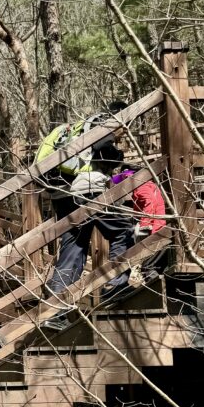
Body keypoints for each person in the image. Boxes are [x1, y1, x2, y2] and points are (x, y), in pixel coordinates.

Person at [44, 141, 135, 331]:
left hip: (73, 194)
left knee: (74, 249)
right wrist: (118, 157)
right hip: (92, 189)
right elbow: (104, 153)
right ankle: (115, 286)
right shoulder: (103, 133)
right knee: (122, 230)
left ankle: (53, 311)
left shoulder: (82, 144)